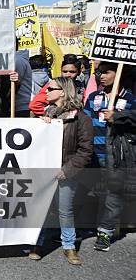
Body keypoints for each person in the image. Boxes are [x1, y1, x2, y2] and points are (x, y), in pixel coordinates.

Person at [29, 77, 93, 265]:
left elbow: (85, 151)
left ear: (63, 92)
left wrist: (67, 170)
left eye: (51, 89)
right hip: (45, 173)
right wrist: (41, 127)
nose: (46, 92)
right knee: (40, 209)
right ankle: (36, 243)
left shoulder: (82, 119)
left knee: (65, 211)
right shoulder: (47, 115)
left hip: (66, 172)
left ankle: (69, 246)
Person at [83, 62, 136, 251]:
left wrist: (119, 117)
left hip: (116, 153)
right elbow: (85, 121)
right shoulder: (93, 96)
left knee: (114, 194)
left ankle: (105, 233)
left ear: (119, 74)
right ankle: (83, 229)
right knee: (91, 191)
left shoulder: (130, 98)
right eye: (99, 73)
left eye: (106, 72)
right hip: (92, 152)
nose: (101, 76)